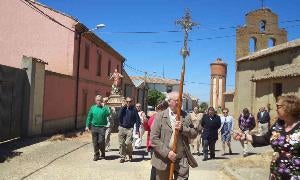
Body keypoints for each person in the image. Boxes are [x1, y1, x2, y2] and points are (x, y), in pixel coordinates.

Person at [235, 95, 300, 180]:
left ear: (288, 108)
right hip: (276, 173)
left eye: (278, 106)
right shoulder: (278, 124)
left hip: (294, 175)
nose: (276, 109)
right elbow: (265, 139)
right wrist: (245, 136)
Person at [151, 92, 198, 180]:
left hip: (181, 159)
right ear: (169, 102)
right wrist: (167, 153)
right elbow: (154, 139)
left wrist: (183, 128)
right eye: (177, 100)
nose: (179, 102)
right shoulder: (160, 116)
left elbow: (194, 134)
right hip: (163, 159)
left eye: (181, 100)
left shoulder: (186, 116)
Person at [144, 101, 169, 180]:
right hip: (156, 145)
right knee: (157, 166)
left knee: (156, 166)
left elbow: (147, 128)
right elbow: (148, 128)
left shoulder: (156, 117)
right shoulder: (155, 117)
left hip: (158, 145)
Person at [85, 95, 111, 161]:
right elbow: (89, 117)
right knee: (95, 142)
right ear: (95, 101)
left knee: (101, 141)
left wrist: (106, 107)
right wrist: (87, 126)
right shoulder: (92, 108)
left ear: (102, 101)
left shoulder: (104, 107)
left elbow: (108, 114)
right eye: (98, 100)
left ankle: (102, 152)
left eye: (100, 100)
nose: (99, 101)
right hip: (94, 127)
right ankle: (96, 155)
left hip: (102, 127)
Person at [118, 97, 141, 163]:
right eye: (127, 101)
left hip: (129, 129)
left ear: (132, 102)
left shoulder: (134, 109)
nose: (128, 103)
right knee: (121, 143)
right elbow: (119, 116)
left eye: (130, 101)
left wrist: (137, 129)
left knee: (128, 143)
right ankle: (122, 157)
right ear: (125, 102)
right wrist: (122, 107)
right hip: (121, 127)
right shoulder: (123, 108)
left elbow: (137, 120)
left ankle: (130, 154)